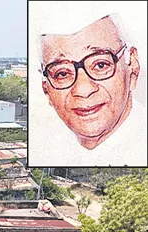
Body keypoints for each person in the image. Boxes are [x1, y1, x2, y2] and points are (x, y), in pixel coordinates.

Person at [29, 6, 147, 167]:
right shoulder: (42, 150)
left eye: (100, 65)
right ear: (46, 90)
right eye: (62, 73)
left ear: (133, 68)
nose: (83, 90)